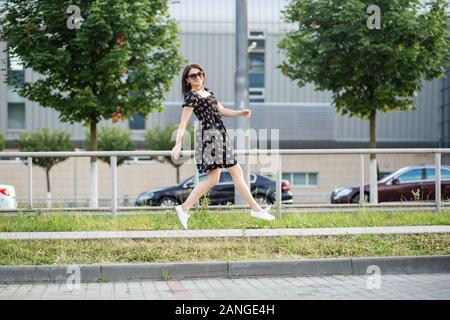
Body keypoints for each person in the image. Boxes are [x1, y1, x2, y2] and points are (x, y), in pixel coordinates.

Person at [171, 64, 275, 230]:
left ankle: (183, 208)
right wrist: (178, 144)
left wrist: (240, 113)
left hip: (220, 135)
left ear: (203, 75)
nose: (197, 77)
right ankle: (256, 209)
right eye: (193, 76)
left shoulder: (209, 93)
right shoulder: (191, 97)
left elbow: (222, 110)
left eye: (200, 74)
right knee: (237, 171)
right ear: (187, 80)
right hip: (210, 137)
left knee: (213, 179)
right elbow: (183, 122)